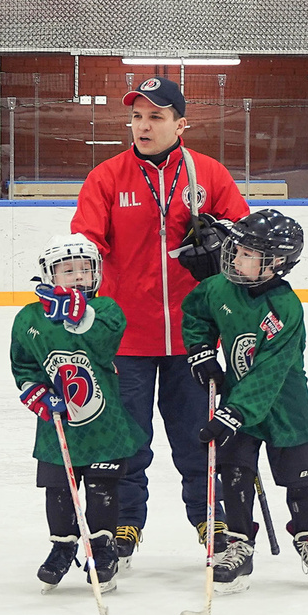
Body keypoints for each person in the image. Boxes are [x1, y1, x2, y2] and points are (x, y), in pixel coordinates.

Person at [70, 75, 248, 564]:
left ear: (180, 124)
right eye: (137, 116)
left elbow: (243, 245)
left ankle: (210, 521)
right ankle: (125, 523)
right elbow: (86, 246)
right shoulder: (106, 177)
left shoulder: (208, 174)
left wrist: (220, 251)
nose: (143, 126)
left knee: (198, 435)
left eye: (156, 116)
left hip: (194, 338)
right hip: (125, 339)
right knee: (127, 440)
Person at [180, 210, 308, 587]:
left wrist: (233, 413)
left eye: (248, 254)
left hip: (285, 406)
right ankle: (238, 545)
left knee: (302, 477)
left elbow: (269, 373)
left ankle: (307, 536)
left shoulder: (286, 308)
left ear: (276, 263)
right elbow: (196, 313)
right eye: (237, 250)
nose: (235, 258)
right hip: (239, 401)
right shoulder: (220, 288)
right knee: (234, 472)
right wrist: (201, 352)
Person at [9, 233, 139, 592]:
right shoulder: (30, 317)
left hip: (103, 424)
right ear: (50, 274)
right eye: (68, 270)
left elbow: (104, 343)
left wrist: (80, 316)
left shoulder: (107, 309)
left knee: (101, 488)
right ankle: (62, 547)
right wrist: (35, 392)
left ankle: (102, 548)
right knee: (59, 490)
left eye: (85, 268)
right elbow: (23, 363)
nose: (79, 276)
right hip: (58, 425)